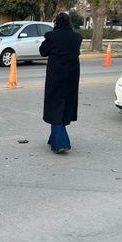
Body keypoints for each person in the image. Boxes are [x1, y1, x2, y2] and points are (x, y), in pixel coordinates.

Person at [39, 12, 82, 154]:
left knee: (55, 106)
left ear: (56, 22)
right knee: (65, 105)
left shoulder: (52, 36)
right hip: (72, 77)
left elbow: (43, 52)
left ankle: (61, 143)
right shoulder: (77, 37)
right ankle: (54, 137)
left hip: (56, 76)